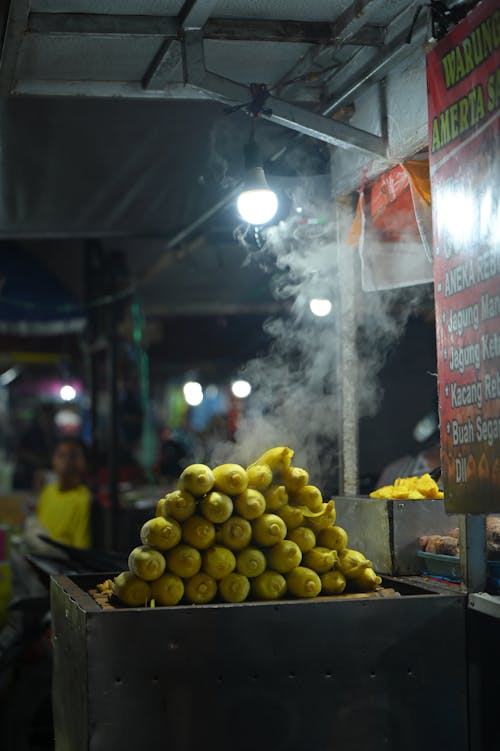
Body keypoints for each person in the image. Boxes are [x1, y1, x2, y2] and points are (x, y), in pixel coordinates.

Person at [29, 437, 92, 550]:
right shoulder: (48, 491)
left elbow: (80, 548)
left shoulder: (83, 499)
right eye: (61, 455)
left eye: (73, 456)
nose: (67, 462)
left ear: (84, 462)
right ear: (53, 460)